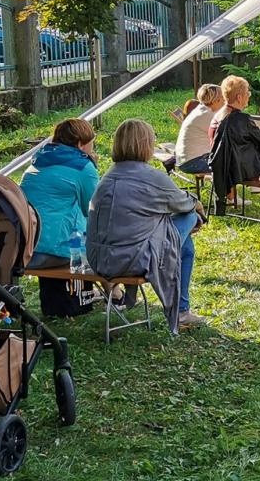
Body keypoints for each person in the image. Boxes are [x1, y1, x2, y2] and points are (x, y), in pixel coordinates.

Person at [88, 118, 207, 332]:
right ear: (146, 144)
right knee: (189, 218)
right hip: (131, 259)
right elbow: (184, 203)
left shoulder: (107, 177)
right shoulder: (152, 177)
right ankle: (181, 310)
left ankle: (182, 309)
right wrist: (199, 211)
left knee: (183, 242)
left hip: (98, 258)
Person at [20, 118, 101, 270]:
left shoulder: (37, 162)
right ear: (80, 144)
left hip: (25, 249)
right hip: (57, 251)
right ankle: (115, 293)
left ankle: (112, 292)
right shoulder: (83, 167)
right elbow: (93, 211)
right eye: (92, 143)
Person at [209, 76, 260, 215]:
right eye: (248, 93)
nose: (249, 96)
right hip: (237, 170)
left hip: (222, 168)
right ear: (240, 97)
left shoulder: (218, 115)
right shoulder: (243, 119)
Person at [173, 84, 222, 174]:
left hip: (185, 159)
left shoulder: (200, 110)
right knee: (229, 165)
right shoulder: (209, 115)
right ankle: (223, 188)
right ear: (217, 100)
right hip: (193, 162)